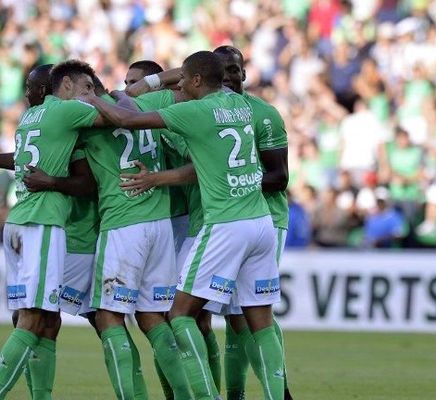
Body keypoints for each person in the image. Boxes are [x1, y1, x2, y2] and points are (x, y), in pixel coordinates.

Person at [82, 50, 284, 400]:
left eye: (183, 81)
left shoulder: (195, 111)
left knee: (179, 314)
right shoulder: (242, 107)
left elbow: (126, 120)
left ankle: (207, 397)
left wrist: (94, 98)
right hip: (262, 222)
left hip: (225, 224)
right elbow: (203, 165)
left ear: (193, 81)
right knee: (261, 321)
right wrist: (160, 177)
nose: (179, 87)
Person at [81, 76, 192, 399]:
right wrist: (145, 84)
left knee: (108, 316)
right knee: (152, 316)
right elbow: (185, 79)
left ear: (85, 88)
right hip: (160, 224)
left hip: (123, 223)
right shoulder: (148, 104)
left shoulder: (83, 114)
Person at [0, 60, 100, 399]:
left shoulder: (30, 118)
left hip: (16, 225)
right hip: (40, 224)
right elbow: (114, 117)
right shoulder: (64, 111)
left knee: (45, 320)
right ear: (66, 86)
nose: (28, 92)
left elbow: (23, 158)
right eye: (85, 87)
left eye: (32, 86)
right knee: (32, 318)